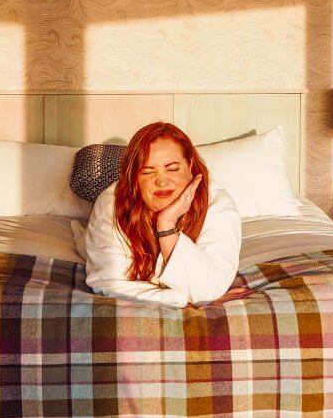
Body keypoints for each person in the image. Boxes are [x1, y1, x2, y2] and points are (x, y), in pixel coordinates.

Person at [85, 122, 242, 307]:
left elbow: (209, 290)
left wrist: (166, 225)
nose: (161, 181)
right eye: (148, 171)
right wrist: (185, 301)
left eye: (172, 168)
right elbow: (108, 284)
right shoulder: (111, 205)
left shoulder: (216, 204)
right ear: (134, 178)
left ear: (190, 165)